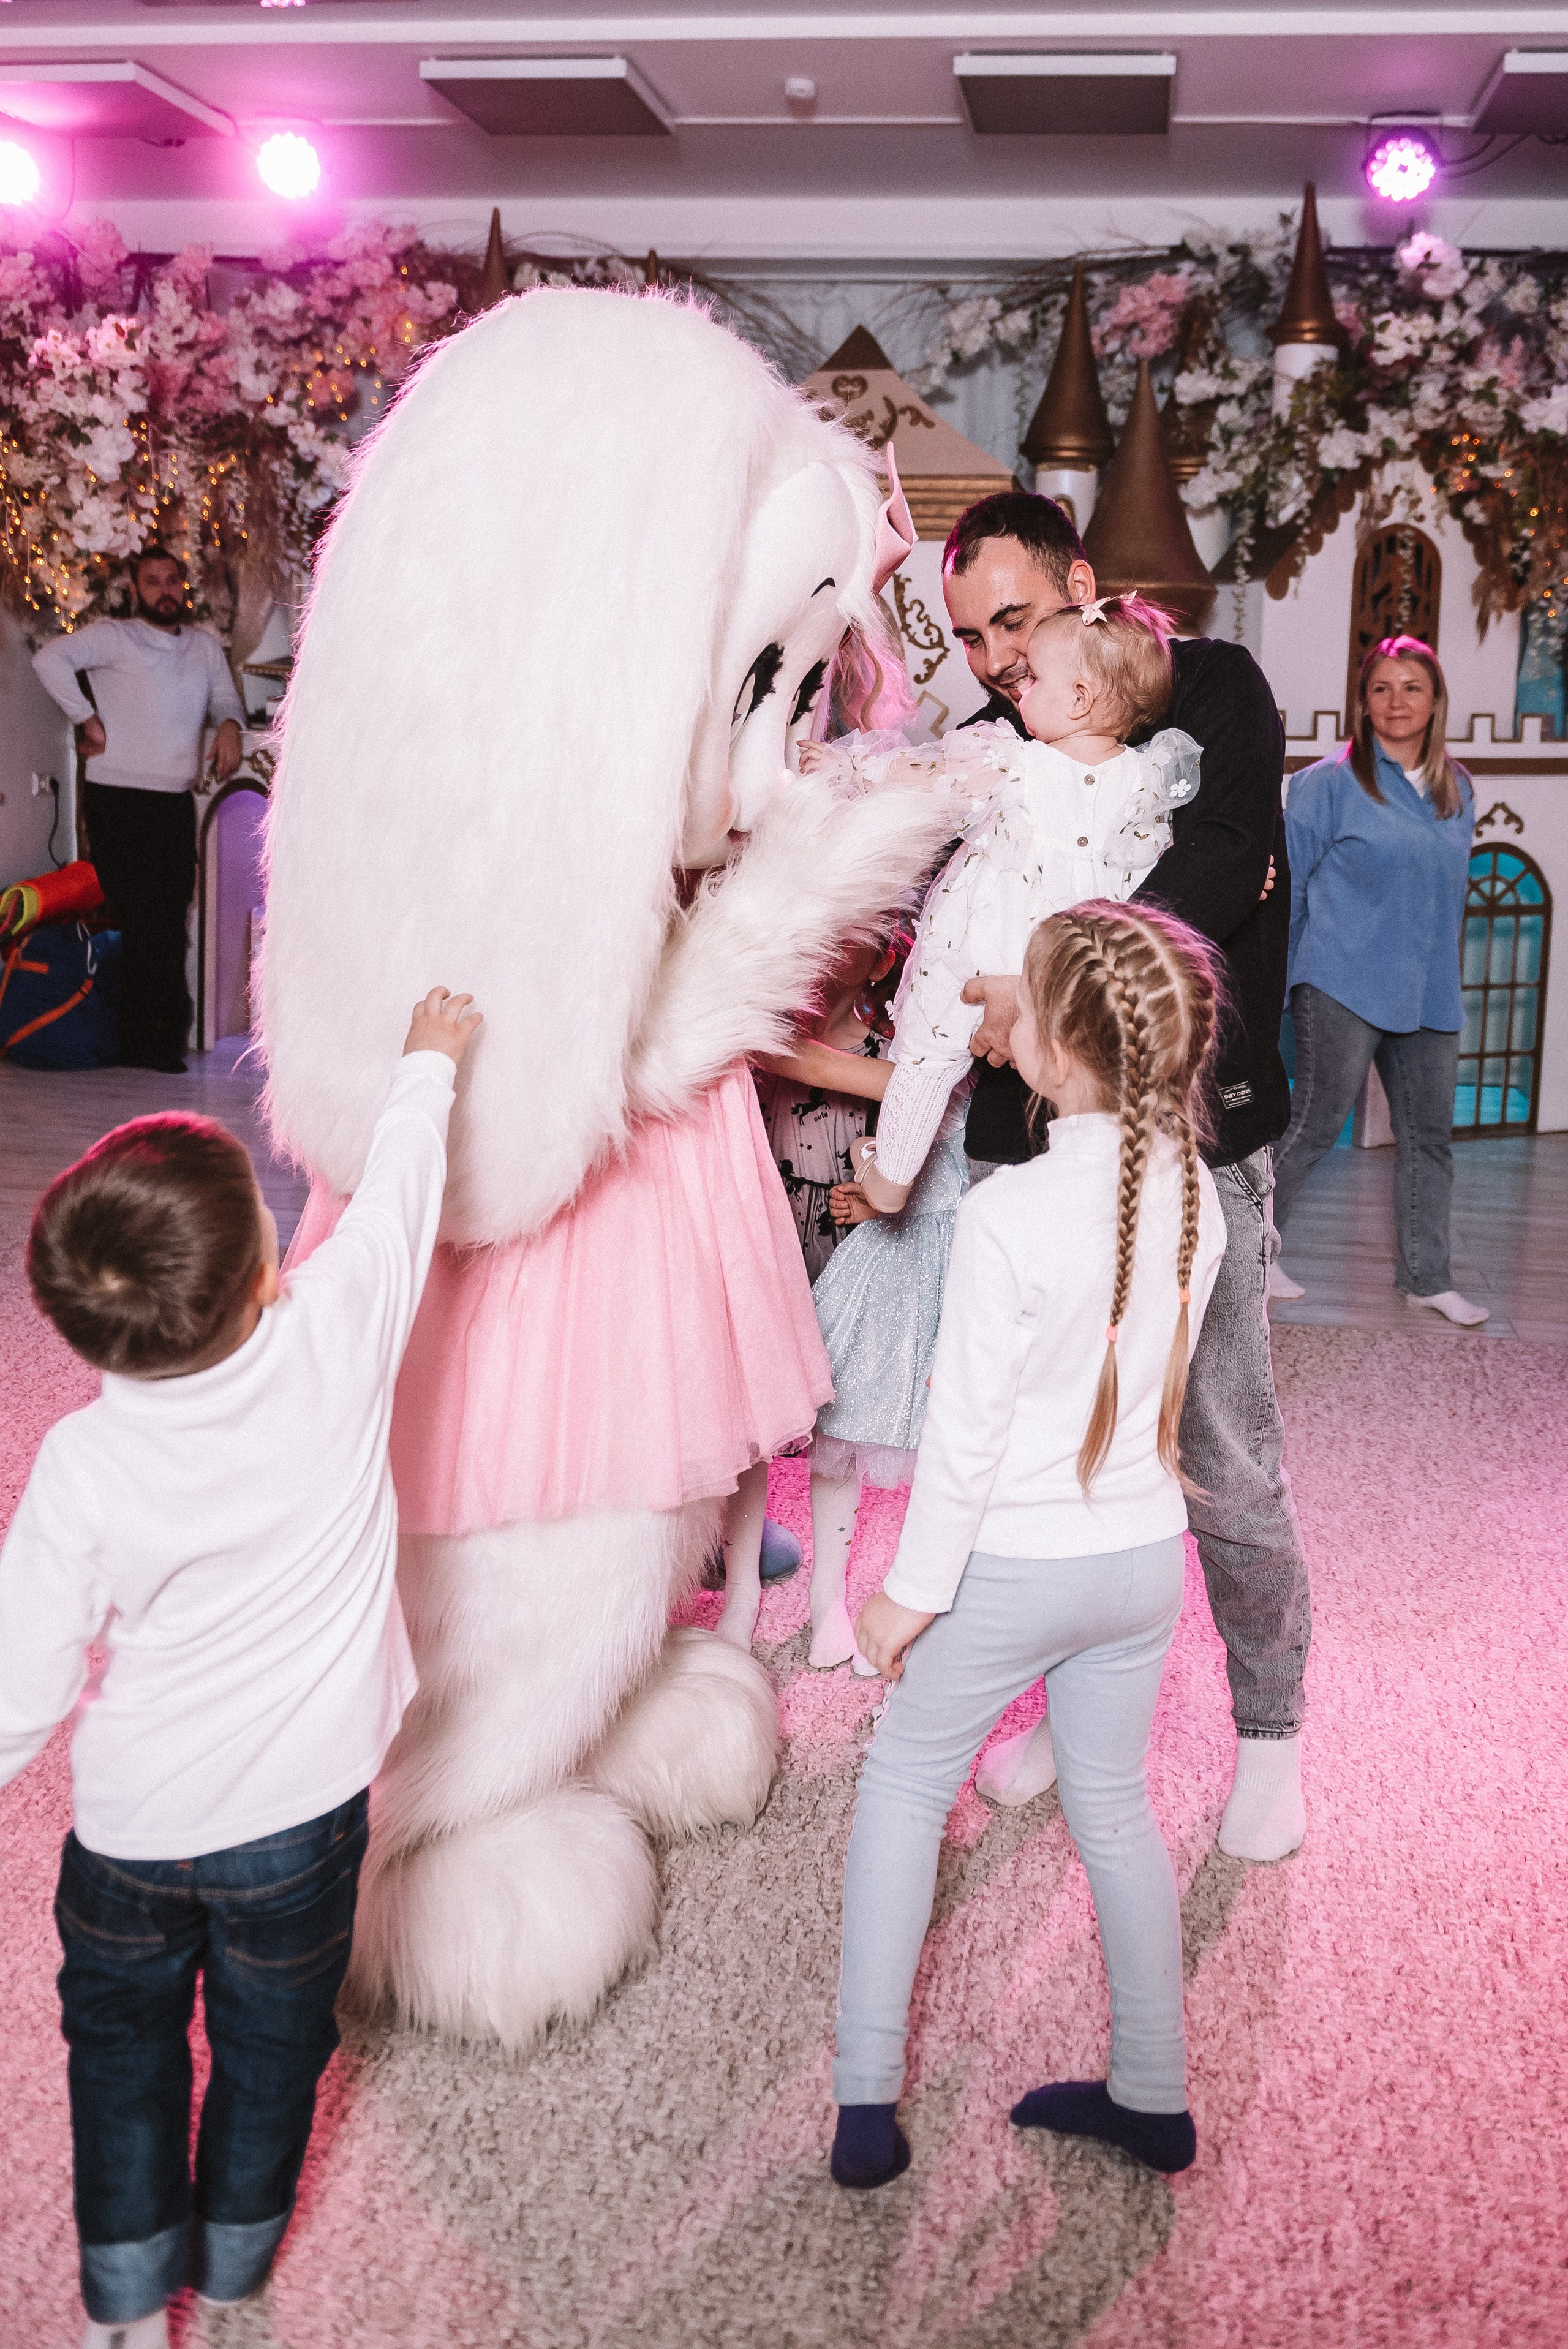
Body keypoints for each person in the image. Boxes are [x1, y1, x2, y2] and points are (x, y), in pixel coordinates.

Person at [0, 984, 481, 2349]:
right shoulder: (334, 1339)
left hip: (133, 1837)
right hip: (303, 1821)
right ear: (270, 1270)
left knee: (121, 2061)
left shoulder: (84, 1463)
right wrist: (428, 1067)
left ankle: (120, 2308)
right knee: (275, 2047)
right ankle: (237, 2257)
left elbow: (19, 1681)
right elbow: (396, 1205)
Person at [935, 491, 1311, 1865]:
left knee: (1214, 1443)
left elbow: (1209, 876)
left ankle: (1268, 1725)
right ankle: (1076, 1697)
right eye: (972, 639)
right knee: (1053, 1440)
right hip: (1045, 1140)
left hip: (1202, 1129)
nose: (993, 663)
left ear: (1084, 585)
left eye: (1017, 624)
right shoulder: (993, 736)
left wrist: (1029, 971)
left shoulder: (1215, 688)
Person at [829, 902, 1227, 2192]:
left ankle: (862, 2108)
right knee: (1111, 1809)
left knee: (900, 1788)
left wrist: (905, 1594)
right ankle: (1153, 2096)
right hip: (1142, 1560)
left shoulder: (1006, 1215)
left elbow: (964, 1437)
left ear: (1054, 1044)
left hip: (1012, 1565)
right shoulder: (1201, 1203)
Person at [790, 592, 1203, 1676]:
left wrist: (835, 774)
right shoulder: (1143, 777)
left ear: (1082, 695)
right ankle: (905, 1173)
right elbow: (1155, 888)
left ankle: (888, 1176)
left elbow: (916, 786)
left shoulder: (1013, 765)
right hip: (1062, 977)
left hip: (988, 948)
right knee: (966, 1060)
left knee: (927, 1041)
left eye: (1037, 669)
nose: (1014, 678)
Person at [1270, 636, 1483, 1325]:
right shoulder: (1326, 784)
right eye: (1381, 688)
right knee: (1313, 1124)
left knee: (1429, 1138)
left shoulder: (1457, 787)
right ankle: (1250, 1254)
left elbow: (1444, 896)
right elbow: (1291, 889)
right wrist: (1281, 983)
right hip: (1339, 978)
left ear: (1434, 701)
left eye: (1411, 687)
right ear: (1362, 703)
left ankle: (1427, 1276)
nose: (1397, 702)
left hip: (1428, 990)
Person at [32, 548, 246, 1074]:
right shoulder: (114, 635)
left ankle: (161, 1039)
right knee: (138, 919)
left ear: (184, 585)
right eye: (153, 581)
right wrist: (86, 719)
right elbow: (48, 659)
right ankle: (137, 1040)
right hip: (117, 798)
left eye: (173, 579)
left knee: (170, 921)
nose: (165, 589)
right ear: (136, 589)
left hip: (173, 801)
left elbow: (227, 700)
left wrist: (229, 726)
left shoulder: (204, 646)